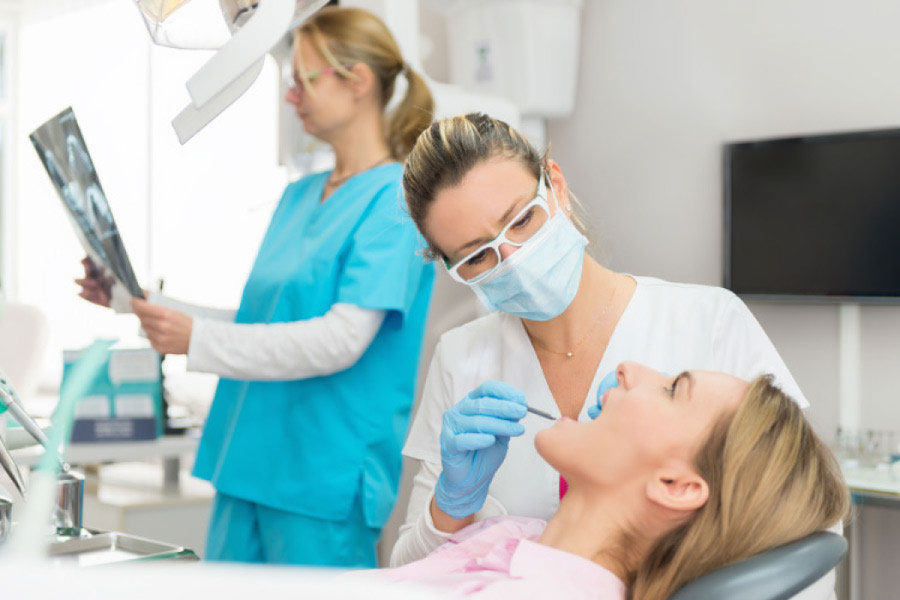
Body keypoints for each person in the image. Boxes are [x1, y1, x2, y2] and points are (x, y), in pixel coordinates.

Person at [76, 7, 435, 567]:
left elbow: (340, 340)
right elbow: (254, 323)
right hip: (247, 463)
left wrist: (195, 340)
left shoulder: (395, 203)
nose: (291, 96)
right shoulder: (299, 195)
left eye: (303, 79)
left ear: (357, 82)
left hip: (321, 477)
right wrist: (134, 300)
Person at [391, 113, 812, 568]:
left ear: (555, 185)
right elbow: (408, 573)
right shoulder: (460, 357)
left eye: (522, 220)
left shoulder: (709, 320)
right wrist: (450, 507)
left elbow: (803, 527)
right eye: (477, 256)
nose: (513, 261)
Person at [372, 364, 848, 599]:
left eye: (671, 390)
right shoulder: (521, 539)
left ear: (676, 485)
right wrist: (454, 505)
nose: (625, 368)